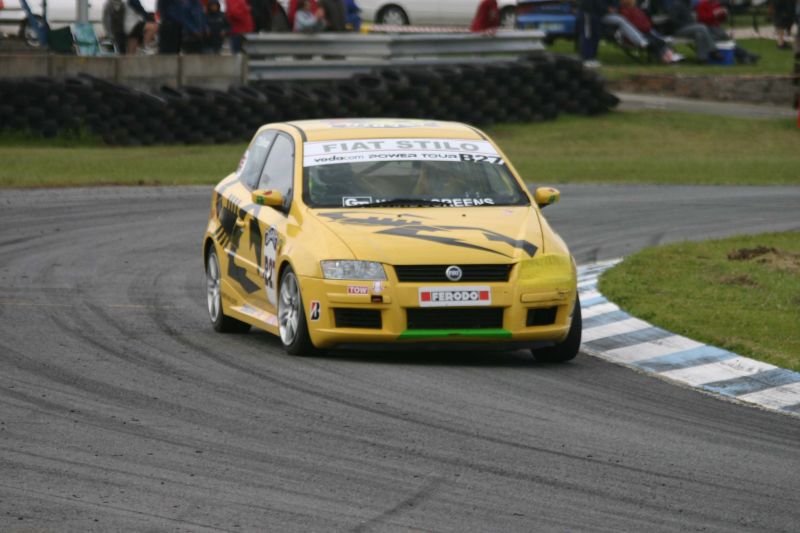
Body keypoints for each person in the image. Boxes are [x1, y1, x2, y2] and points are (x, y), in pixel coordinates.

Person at [695, 0, 759, 63]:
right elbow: (702, 19)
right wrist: (714, 14)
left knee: (728, 41)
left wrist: (723, 14)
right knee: (728, 41)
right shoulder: (703, 4)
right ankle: (745, 55)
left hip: (716, 28)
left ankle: (744, 56)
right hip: (707, 29)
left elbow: (721, 19)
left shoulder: (716, 4)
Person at [577, 0, 610, 67]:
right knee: (588, 36)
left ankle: (592, 58)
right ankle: (586, 58)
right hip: (588, 14)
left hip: (596, 15)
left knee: (595, 36)